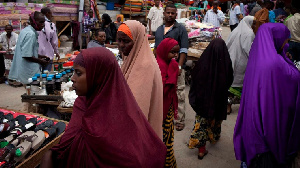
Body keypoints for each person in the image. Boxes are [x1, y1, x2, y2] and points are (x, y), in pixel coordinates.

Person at [39, 47, 167, 168]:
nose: (73, 78)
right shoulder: (82, 104)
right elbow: (67, 144)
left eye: (78, 73)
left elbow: (133, 159)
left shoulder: (119, 115)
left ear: (98, 76)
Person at [233, 23, 300, 168]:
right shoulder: (274, 63)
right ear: (277, 38)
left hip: (252, 123)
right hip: (267, 132)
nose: (286, 43)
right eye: (285, 40)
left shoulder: (257, 56)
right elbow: (293, 79)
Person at [117, 20, 163, 139]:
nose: (121, 45)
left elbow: (135, 112)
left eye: (126, 41)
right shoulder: (132, 58)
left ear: (138, 41)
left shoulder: (144, 66)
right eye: (119, 40)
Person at [188, 38, 233, 160]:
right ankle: (214, 136)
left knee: (201, 123)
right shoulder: (226, 63)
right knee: (216, 119)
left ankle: (201, 150)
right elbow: (230, 79)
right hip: (218, 100)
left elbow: (195, 79)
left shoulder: (203, 62)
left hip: (203, 101)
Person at [154, 4, 189, 131]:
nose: (170, 15)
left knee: (179, 91)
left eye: (172, 13)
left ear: (176, 14)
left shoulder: (181, 29)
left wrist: (179, 66)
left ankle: (179, 119)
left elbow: (184, 49)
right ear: (164, 13)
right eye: (168, 12)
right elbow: (157, 49)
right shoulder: (158, 30)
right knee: (163, 92)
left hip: (175, 67)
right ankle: (163, 116)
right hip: (162, 68)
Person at [8, 11, 49, 86]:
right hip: (29, 71)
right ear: (33, 22)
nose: (43, 25)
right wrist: (40, 61)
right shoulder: (31, 34)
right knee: (34, 92)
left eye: (44, 22)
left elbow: (26, 50)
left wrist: (40, 56)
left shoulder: (25, 31)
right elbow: (26, 55)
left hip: (24, 69)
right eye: (41, 22)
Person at [156, 38, 179, 168]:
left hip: (168, 106)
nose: (175, 55)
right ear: (164, 51)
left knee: (168, 137)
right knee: (161, 137)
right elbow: (160, 89)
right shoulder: (159, 66)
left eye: (177, 52)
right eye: (172, 52)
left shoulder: (172, 64)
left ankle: (168, 162)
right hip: (160, 108)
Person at [226, 16, 256, 114]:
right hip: (241, 62)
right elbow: (248, 49)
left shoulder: (235, 30)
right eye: (254, 23)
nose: (254, 25)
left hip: (232, 59)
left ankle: (227, 105)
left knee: (230, 85)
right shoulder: (249, 33)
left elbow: (227, 44)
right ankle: (230, 106)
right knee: (236, 85)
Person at [38, 7, 60, 71]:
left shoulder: (35, 25)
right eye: (51, 13)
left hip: (37, 55)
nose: (52, 15)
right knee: (46, 76)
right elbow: (54, 42)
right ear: (47, 14)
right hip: (48, 55)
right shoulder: (51, 25)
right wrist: (57, 52)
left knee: (37, 77)